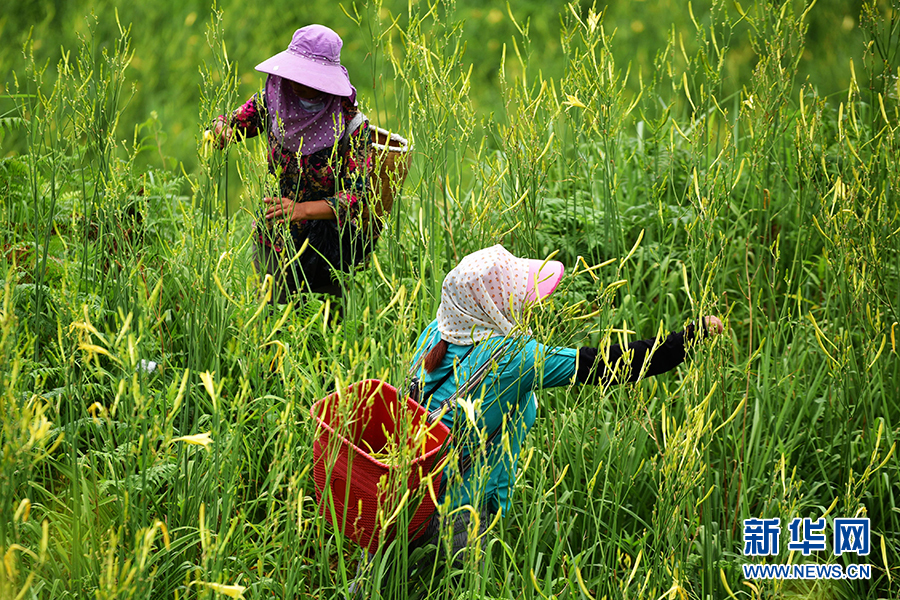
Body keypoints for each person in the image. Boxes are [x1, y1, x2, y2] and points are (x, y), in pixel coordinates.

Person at [387, 244, 724, 594]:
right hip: (461, 511)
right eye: (514, 297)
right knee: (465, 590)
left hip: (402, 492)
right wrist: (690, 336)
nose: (528, 303)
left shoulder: (439, 331)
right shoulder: (514, 358)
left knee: (387, 581)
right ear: (491, 305)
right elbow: (613, 364)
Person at [214, 25, 374, 303]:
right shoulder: (273, 100)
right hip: (274, 236)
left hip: (327, 249)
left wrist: (302, 210)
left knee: (323, 326)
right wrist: (221, 131)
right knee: (269, 313)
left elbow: (356, 196)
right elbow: (228, 122)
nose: (298, 83)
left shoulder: (350, 123)